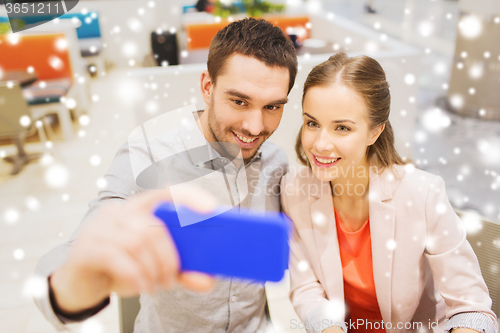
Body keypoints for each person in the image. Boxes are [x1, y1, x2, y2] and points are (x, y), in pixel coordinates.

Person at [34, 18, 297, 332]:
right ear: (207, 87)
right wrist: (74, 282)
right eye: (239, 101)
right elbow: (76, 249)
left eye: (272, 107)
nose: (255, 127)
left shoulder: (276, 163)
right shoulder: (149, 155)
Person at [280, 53, 497, 333]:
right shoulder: (294, 190)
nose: (320, 144)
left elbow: (473, 309)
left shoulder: (423, 194)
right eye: (312, 123)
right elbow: (306, 288)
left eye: (342, 128)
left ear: (374, 132)